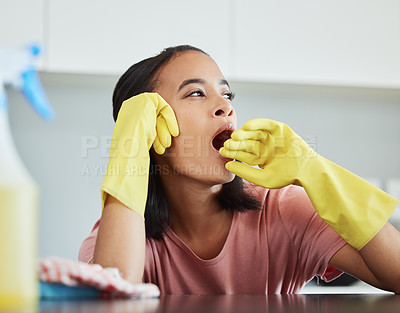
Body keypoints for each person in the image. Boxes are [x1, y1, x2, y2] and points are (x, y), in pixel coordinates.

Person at [79, 45, 400, 295]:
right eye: (195, 93)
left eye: (227, 94)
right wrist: (129, 151)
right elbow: (112, 299)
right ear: (150, 130)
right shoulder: (119, 233)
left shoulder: (282, 209)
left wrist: (315, 171)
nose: (226, 106)